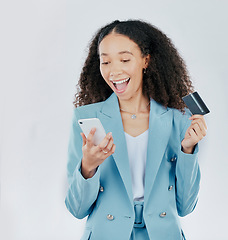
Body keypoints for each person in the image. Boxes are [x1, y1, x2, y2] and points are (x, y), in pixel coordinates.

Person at [65, 19, 207, 240]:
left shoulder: (178, 120)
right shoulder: (87, 119)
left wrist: (188, 150)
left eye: (124, 59)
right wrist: (88, 168)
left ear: (146, 60)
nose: (114, 71)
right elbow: (77, 209)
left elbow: (185, 207)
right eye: (106, 62)